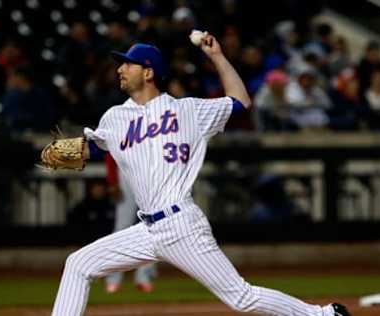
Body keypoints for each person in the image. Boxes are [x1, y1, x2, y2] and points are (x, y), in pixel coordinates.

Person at [49, 34, 350, 316]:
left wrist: (217, 55)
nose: (120, 69)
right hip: (146, 230)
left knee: (241, 297)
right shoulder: (114, 117)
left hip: (182, 226)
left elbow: (240, 102)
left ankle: (322, 314)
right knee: (78, 264)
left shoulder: (188, 111)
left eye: (128, 63)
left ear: (149, 72)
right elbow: (94, 148)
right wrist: (64, 152)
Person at [104, 154, 156, 293]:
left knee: (152, 227)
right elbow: (110, 155)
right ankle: (113, 279)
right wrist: (113, 182)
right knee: (121, 229)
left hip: (151, 174)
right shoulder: (121, 131)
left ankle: (144, 277)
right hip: (127, 172)